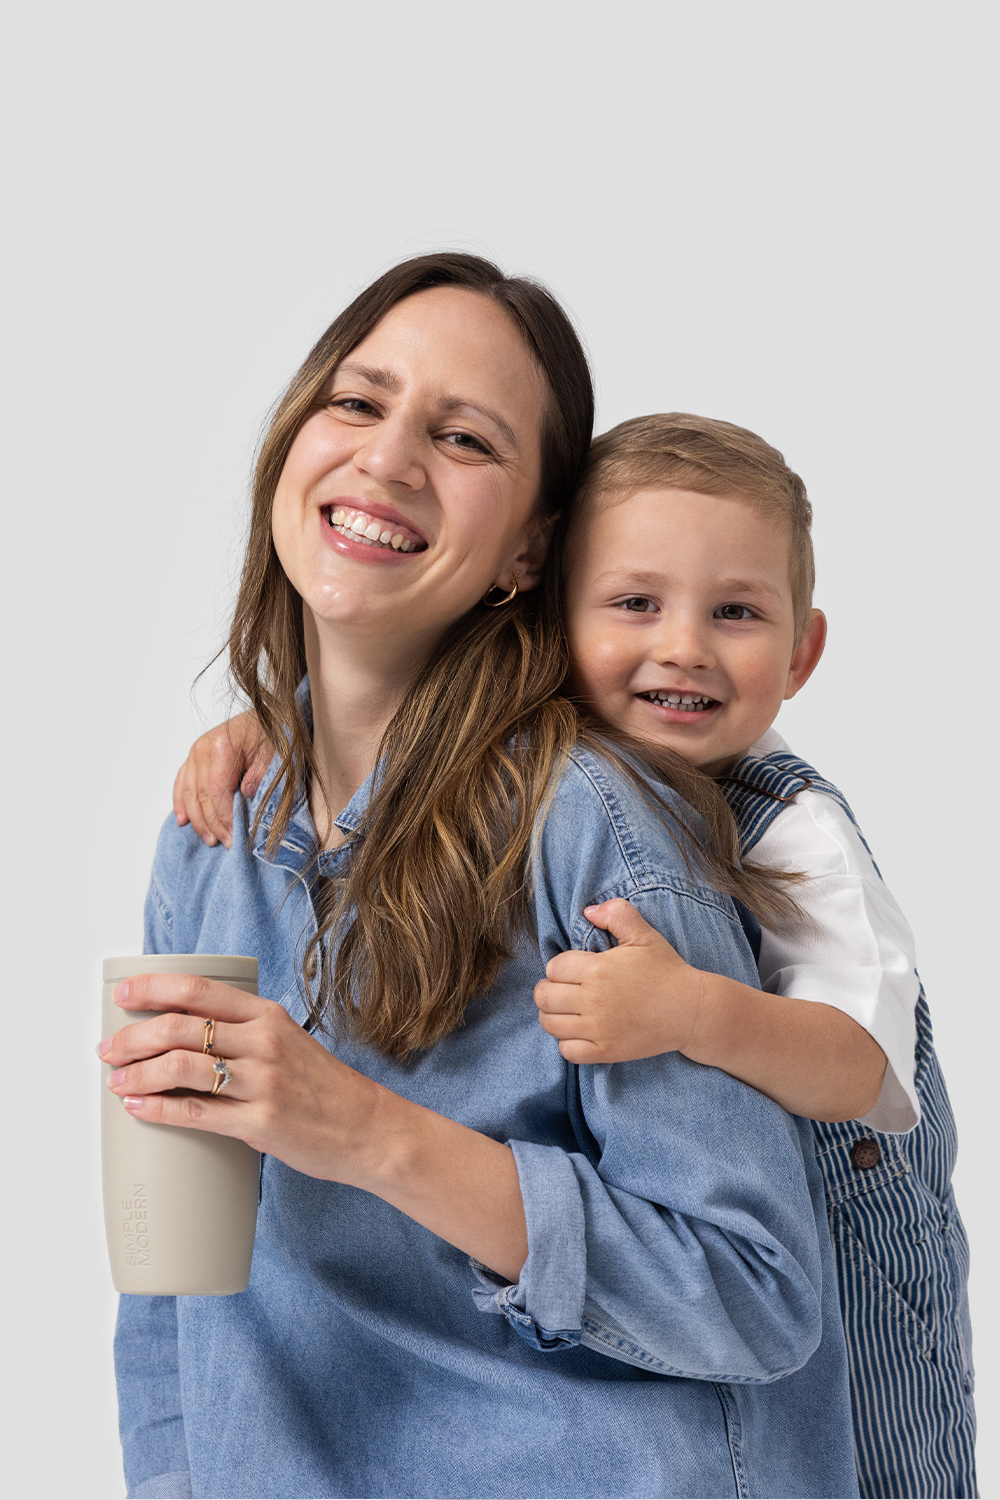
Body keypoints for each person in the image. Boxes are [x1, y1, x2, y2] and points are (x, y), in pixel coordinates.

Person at [102, 256, 858, 1500]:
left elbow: (755, 1298)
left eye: (461, 437)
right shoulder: (211, 824)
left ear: (528, 554)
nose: (389, 460)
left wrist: (364, 1133)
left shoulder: (595, 830)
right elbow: (171, 1288)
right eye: (357, 403)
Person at [181, 410, 976, 1499]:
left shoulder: (800, 833)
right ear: (554, 621)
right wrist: (267, 723)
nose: (683, 646)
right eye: (635, 604)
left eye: (735, 612)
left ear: (802, 651)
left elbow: (858, 1069)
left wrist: (691, 1010)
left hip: (859, 1231)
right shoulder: (569, 749)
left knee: (889, 1462)